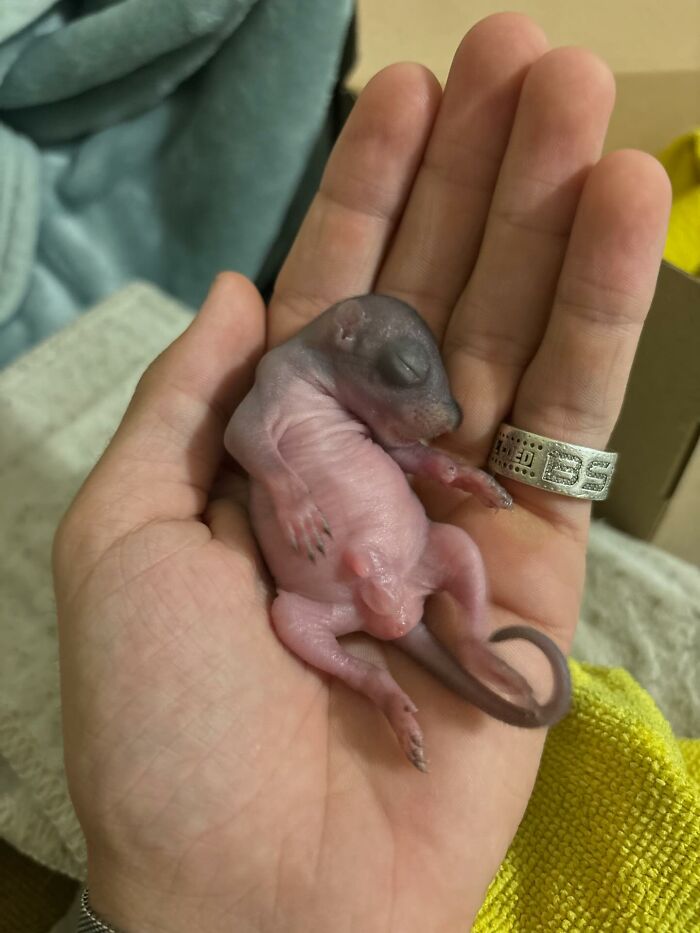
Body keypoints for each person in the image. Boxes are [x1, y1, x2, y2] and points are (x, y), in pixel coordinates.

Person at [52, 13, 670, 932]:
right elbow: (249, 446)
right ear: (344, 338)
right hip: (332, 607)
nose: (411, 405)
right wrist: (294, 491)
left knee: (458, 549)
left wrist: (448, 472)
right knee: (287, 616)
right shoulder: (275, 385)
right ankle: (377, 683)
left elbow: (399, 447)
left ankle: (465, 636)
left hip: (407, 570)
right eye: (400, 378)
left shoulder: (346, 406)